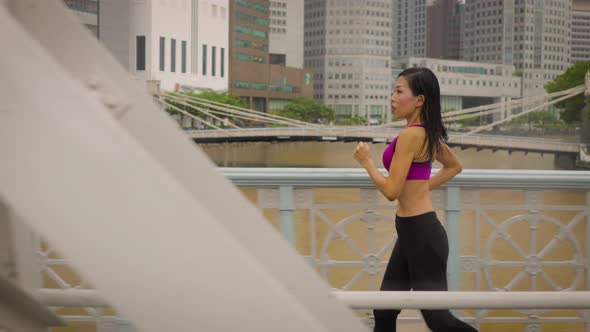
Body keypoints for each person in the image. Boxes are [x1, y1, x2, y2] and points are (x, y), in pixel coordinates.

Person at [353, 67, 477, 332]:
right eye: (393, 91)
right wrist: (421, 188)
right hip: (413, 231)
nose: (392, 97)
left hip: (422, 234)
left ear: (419, 100)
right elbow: (455, 166)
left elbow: (391, 192)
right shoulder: (425, 133)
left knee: (439, 320)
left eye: (399, 91)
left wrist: (367, 163)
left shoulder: (411, 135)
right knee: (385, 309)